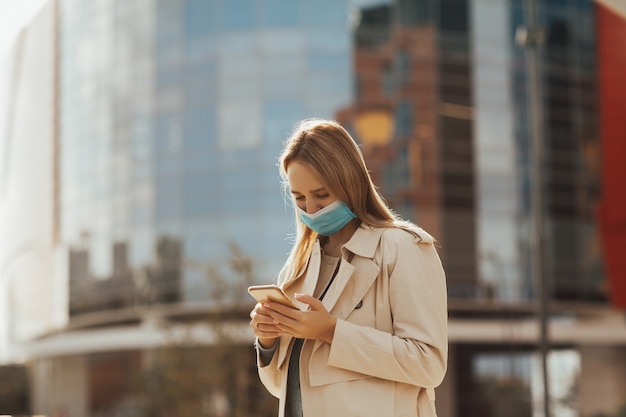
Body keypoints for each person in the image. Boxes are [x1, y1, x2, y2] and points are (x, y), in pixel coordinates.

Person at [249, 118, 448, 417]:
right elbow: (286, 389)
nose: (311, 210)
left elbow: (428, 364)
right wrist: (268, 341)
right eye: (299, 198)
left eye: (321, 195)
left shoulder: (402, 248)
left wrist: (332, 332)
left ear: (349, 182)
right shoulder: (299, 267)